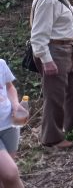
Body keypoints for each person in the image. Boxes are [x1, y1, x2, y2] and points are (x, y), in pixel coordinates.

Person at [30, 0, 73, 149]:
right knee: (55, 95)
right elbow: (38, 35)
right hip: (54, 51)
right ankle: (51, 138)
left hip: (67, 48)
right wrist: (46, 60)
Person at [0, 59, 24, 188]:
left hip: (9, 124)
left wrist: (15, 104)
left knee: (4, 177)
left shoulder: (1, 63)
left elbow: (9, 87)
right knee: (10, 173)